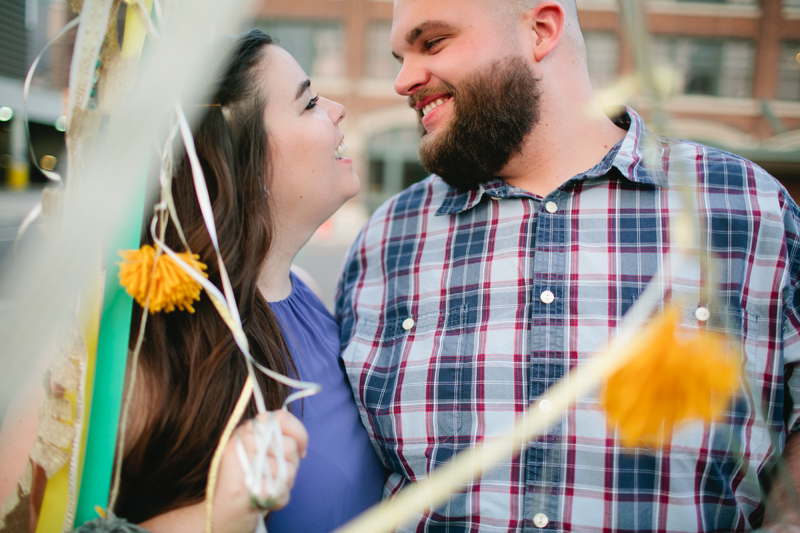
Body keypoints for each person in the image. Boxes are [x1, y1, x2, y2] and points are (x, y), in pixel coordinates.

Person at [335, 0, 800, 531]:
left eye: (432, 43)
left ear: (541, 29)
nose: (402, 80)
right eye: (399, 55)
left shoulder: (747, 205)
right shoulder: (387, 237)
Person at [0, 30, 384, 532]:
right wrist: (216, 519)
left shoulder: (308, 293)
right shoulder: (108, 336)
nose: (336, 109)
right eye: (309, 102)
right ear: (235, 154)